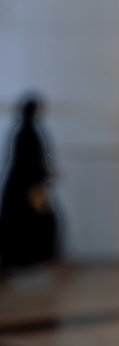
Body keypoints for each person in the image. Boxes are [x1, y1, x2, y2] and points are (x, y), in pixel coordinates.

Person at [0, 95, 61, 274]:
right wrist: (42, 175)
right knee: (47, 220)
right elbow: (29, 161)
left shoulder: (25, 132)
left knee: (35, 222)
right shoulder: (27, 133)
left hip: (25, 187)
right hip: (29, 189)